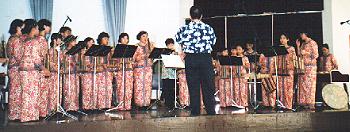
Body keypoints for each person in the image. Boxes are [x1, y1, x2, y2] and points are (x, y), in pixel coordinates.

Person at [175, 6, 217, 116]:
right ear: (201, 15)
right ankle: (211, 111)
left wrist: (184, 49)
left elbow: (178, 40)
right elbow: (213, 42)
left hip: (191, 59)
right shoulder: (208, 28)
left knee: (193, 86)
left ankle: (195, 112)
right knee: (207, 86)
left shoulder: (184, 29)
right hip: (205, 58)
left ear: (190, 16)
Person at [18, 19, 50, 122]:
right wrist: (44, 69)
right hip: (31, 71)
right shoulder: (34, 41)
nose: (38, 30)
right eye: (36, 28)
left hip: (23, 70)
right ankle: (30, 117)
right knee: (32, 93)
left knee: (26, 94)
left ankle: (25, 116)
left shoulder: (23, 40)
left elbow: (19, 56)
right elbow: (37, 59)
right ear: (33, 28)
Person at [296, 32, 319, 110]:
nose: (301, 36)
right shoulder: (303, 44)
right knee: (303, 85)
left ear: (306, 34)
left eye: (302, 34)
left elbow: (316, 55)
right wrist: (298, 46)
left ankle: (311, 103)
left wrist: (306, 52)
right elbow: (299, 55)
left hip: (311, 67)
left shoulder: (313, 43)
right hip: (303, 67)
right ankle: (304, 102)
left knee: (310, 85)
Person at [7, 19, 24, 121]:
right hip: (16, 69)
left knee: (14, 91)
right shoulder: (16, 40)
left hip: (12, 68)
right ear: (18, 27)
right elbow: (19, 57)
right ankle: (15, 114)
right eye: (22, 27)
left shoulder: (11, 38)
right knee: (16, 91)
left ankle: (14, 114)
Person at [273, 34, 296, 110]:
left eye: (284, 38)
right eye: (281, 38)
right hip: (280, 71)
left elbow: (293, 59)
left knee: (288, 88)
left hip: (288, 71)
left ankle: (288, 105)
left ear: (287, 39)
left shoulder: (291, 48)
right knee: (281, 88)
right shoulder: (278, 49)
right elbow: (276, 59)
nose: (282, 40)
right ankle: (281, 104)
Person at [133, 31, 154, 109]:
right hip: (139, 69)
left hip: (148, 69)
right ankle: (139, 103)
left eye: (146, 36)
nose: (145, 38)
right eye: (143, 36)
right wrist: (143, 56)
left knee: (148, 86)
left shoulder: (149, 46)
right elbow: (133, 59)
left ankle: (146, 103)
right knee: (139, 86)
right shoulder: (136, 46)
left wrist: (152, 49)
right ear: (139, 37)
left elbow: (153, 57)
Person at [114, 33, 134, 111]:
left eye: (127, 38)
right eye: (124, 38)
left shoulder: (130, 48)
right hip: (120, 71)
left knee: (128, 88)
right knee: (121, 88)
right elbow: (114, 61)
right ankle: (121, 104)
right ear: (120, 39)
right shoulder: (116, 48)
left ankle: (128, 105)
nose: (125, 40)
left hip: (128, 71)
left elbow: (132, 59)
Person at [37, 19, 51, 117]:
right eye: (49, 26)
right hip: (42, 68)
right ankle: (42, 112)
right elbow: (43, 56)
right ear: (45, 26)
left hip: (39, 68)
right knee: (43, 91)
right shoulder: (42, 40)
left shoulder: (39, 39)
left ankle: (42, 112)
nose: (50, 28)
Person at [96, 32, 113, 109]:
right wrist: (102, 64)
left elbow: (112, 60)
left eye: (107, 39)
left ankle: (107, 105)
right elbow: (95, 61)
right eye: (105, 38)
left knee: (108, 88)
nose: (107, 40)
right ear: (100, 39)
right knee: (101, 88)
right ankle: (101, 106)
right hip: (100, 72)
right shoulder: (96, 49)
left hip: (108, 72)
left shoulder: (109, 49)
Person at [62, 35, 79, 111]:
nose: (75, 42)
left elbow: (78, 62)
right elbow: (63, 62)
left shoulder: (76, 52)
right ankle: (69, 107)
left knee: (75, 89)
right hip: (68, 73)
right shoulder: (65, 51)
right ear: (69, 42)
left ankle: (75, 107)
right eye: (74, 41)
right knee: (68, 88)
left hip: (74, 73)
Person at [80, 37, 97, 110]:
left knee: (93, 89)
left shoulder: (95, 52)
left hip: (93, 74)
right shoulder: (83, 51)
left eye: (93, 42)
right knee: (86, 89)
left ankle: (93, 106)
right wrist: (87, 65)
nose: (92, 43)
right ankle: (86, 107)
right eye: (90, 42)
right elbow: (81, 62)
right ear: (86, 43)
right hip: (86, 73)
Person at [47, 33, 62, 112]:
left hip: (58, 74)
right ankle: (52, 109)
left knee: (58, 91)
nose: (61, 41)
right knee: (52, 91)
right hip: (52, 75)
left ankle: (57, 108)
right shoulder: (50, 51)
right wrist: (55, 67)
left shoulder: (58, 51)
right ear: (54, 40)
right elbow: (49, 63)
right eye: (59, 39)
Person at [160, 38, 177, 109]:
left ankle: (172, 103)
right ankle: (167, 103)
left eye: (172, 44)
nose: (171, 46)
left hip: (173, 74)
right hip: (166, 74)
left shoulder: (175, 52)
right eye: (169, 45)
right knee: (166, 88)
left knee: (172, 88)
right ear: (167, 45)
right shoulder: (164, 52)